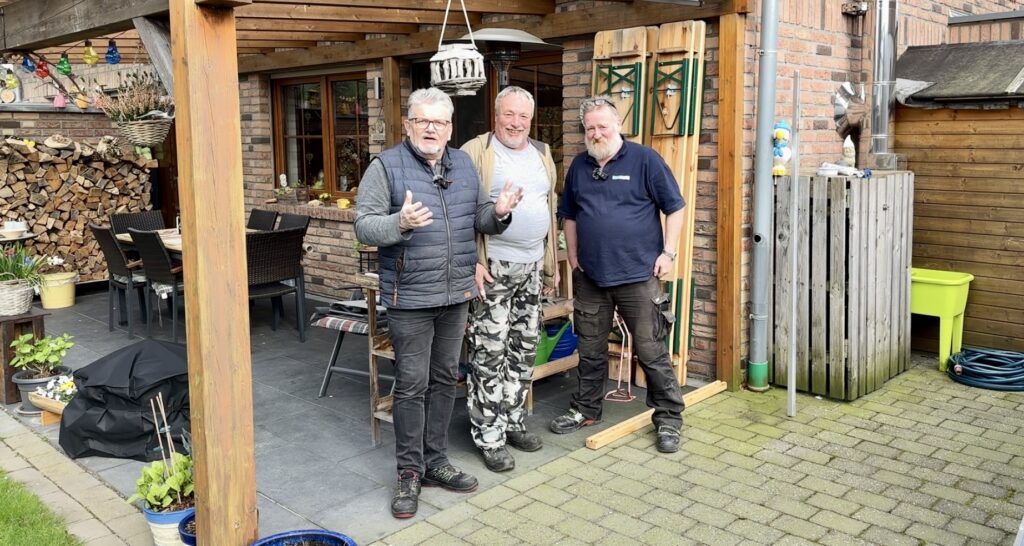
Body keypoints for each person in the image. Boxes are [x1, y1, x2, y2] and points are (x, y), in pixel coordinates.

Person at [354, 87, 523, 518]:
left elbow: (479, 218)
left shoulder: (463, 164)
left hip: (456, 294)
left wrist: (499, 212)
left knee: (446, 378)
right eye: (423, 120)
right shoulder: (385, 166)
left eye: (440, 122)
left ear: (450, 128)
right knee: (411, 385)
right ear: (408, 125)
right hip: (411, 296)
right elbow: (364, 226)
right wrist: (400, 222)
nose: (432, 128)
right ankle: (409, 472)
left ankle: (436, 461)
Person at [550, 96, 686, 454]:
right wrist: (573, 255)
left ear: (618, 125)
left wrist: (669, 253)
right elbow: (569, 215)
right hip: (591, 277)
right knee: (590, 349)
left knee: (651, 350)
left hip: (638, 274)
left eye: (602, 126)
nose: (596, 133)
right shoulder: (579, 166)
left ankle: (668, 418)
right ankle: (586, 409)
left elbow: (675, 207)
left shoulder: (644, 160)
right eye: (590, 128)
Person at [460, 86, 559, 472]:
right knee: (489, 351)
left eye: (523, 116)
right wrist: (472, 260)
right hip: (493, 268)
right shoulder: (475, 151)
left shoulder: (543, 153)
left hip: (531, 267)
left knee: (523, 348)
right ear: (496, 114)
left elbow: (548, 208)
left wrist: (549, 266)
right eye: (509, 114)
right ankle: (488, 435)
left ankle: (513, 421)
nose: (516, 123)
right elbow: (459, 211)